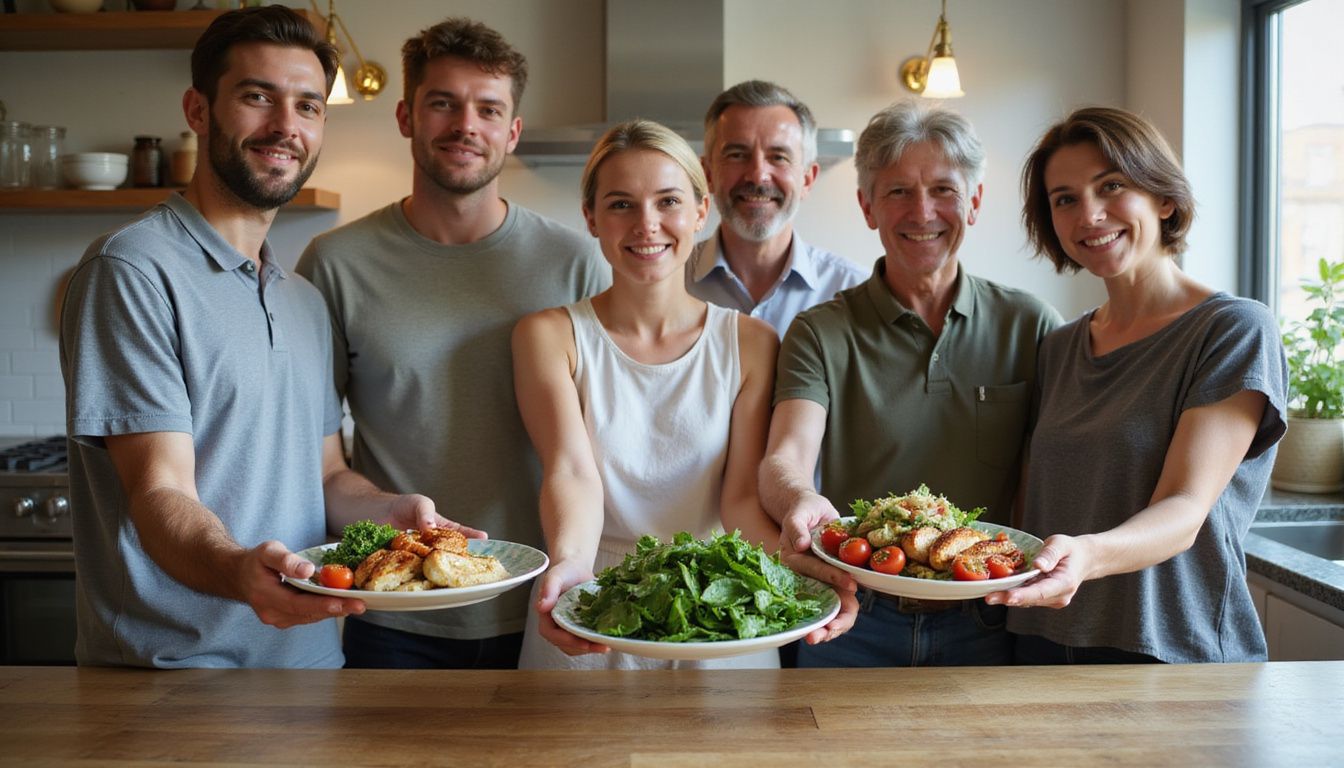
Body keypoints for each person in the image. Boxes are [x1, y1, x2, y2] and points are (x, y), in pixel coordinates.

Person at [59, 6, 473, 669]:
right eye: (258, 98)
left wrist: (394, 509)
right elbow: (159, 489)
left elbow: (326, 475)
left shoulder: (302, 298)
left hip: (308, 668)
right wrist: (237, 570)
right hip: (173, 677)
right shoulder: (132, 270)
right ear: (198, 110)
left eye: (307, 106)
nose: (286, 126)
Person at [296, 18, 608, 669]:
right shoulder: (335, 263)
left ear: (512, 131)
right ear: (407, 116)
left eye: (489, 109)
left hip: (547, 605)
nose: (467, 125)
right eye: (443, 103)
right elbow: (320, 467)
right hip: (393, 611)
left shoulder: (577, 263)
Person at [759, 101, 1063, 667]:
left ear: (973, 203)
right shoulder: (820, 331)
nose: (922, 211)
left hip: (990, 613)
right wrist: (799, 498)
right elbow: (785, 457)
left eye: (944, 190)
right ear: (867, 206)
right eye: (897, 191)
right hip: (852, 613)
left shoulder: (1032, 324)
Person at [986, 106, 1287, 664]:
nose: (1090, 214)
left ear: (1164, 198)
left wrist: (1086, 556)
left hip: (1172, 649)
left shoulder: (1232, 329)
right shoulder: (1060, 346)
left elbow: (1184, 508)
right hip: (1041, 639)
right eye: (1065, 199)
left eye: (1112, 186)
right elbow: (1036, 495)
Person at [513, 119, 783, 669]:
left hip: (720, 611)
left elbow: (741, 502)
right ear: (590, 217)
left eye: (668, 201)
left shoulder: (752, 342)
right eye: (620, 204)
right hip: (593, 601)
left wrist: (800, 568)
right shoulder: (549, 335)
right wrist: (569, 567)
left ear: (701, 211)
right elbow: (571, 473)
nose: (647, 224)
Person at [687, 80, 866, 338]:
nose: (758, 176)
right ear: (708, 174)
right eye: (737, 154)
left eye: (778, 157)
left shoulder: (853, 293)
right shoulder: (668, 284)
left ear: (807, 179)